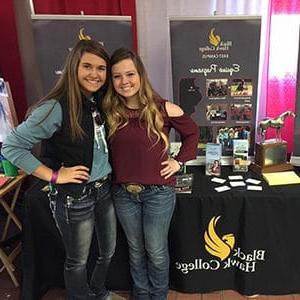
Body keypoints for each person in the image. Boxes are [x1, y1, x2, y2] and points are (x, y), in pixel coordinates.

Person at [1, 40, 123, 300]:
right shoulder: (55, 107)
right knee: (77, 261)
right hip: (73, 197)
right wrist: (55, 175)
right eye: (87, 66)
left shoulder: (97, 101)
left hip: (103, 191)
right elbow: (12, 147)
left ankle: (99, 293)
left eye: (101, 68)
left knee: (107, 252)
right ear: (73, 68)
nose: (95, 74)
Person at [103, 48, 199, 300]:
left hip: (159, 194)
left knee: (155, 251)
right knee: (135, 250)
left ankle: (158, 296)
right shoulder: (108, 110)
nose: (125, 81)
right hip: (123, 194)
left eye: (130, 74)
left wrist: (179, 162)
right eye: (117, 76)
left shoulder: (163, 107)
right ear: (111, 81)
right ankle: (141, 294)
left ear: (140, 75)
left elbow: (193, 133)